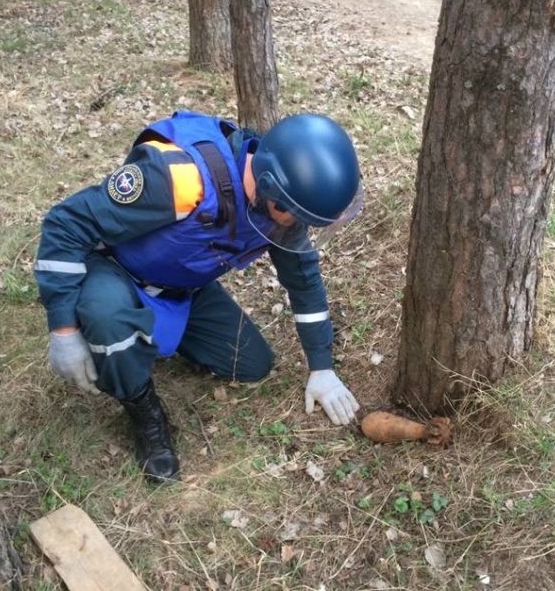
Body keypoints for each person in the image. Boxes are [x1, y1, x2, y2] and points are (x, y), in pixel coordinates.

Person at [34, 111, 364, 483]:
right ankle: (145, 411)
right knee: (110, 323)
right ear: (272, 191)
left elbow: (304, 282)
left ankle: (155, 336)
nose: (299, 228)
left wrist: (322, 367)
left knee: (251, 364)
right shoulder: (179, 179)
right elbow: (65, 223)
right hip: (117, 270)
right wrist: (62, 328)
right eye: (299, 218)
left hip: (183, 286)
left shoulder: (284, 207)